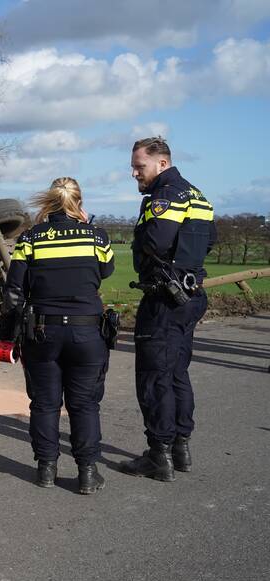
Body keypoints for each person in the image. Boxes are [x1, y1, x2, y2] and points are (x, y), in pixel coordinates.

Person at [0, 177, 115, 495]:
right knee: (84, 405)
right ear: (78, 202)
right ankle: (88, 473)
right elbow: (107, 271)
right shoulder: (96, 237)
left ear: (49, 202)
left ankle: (46, 469)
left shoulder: (31, 238)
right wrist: (86, 225)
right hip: (86, 332)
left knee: (45, 404)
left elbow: (13, 292)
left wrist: (6, 336)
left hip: (42, 332)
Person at [122, 137, 216, 481]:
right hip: (190, 296)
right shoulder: (198, 195)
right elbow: (210, 239)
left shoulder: (164, 196)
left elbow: (155, 242)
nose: (134, 173)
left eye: (139, 166)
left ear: (162, 163)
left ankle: (158, 454)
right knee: (177, 372)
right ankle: (181, 447)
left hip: (164, 298)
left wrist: (144, 236)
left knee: (154, 377)